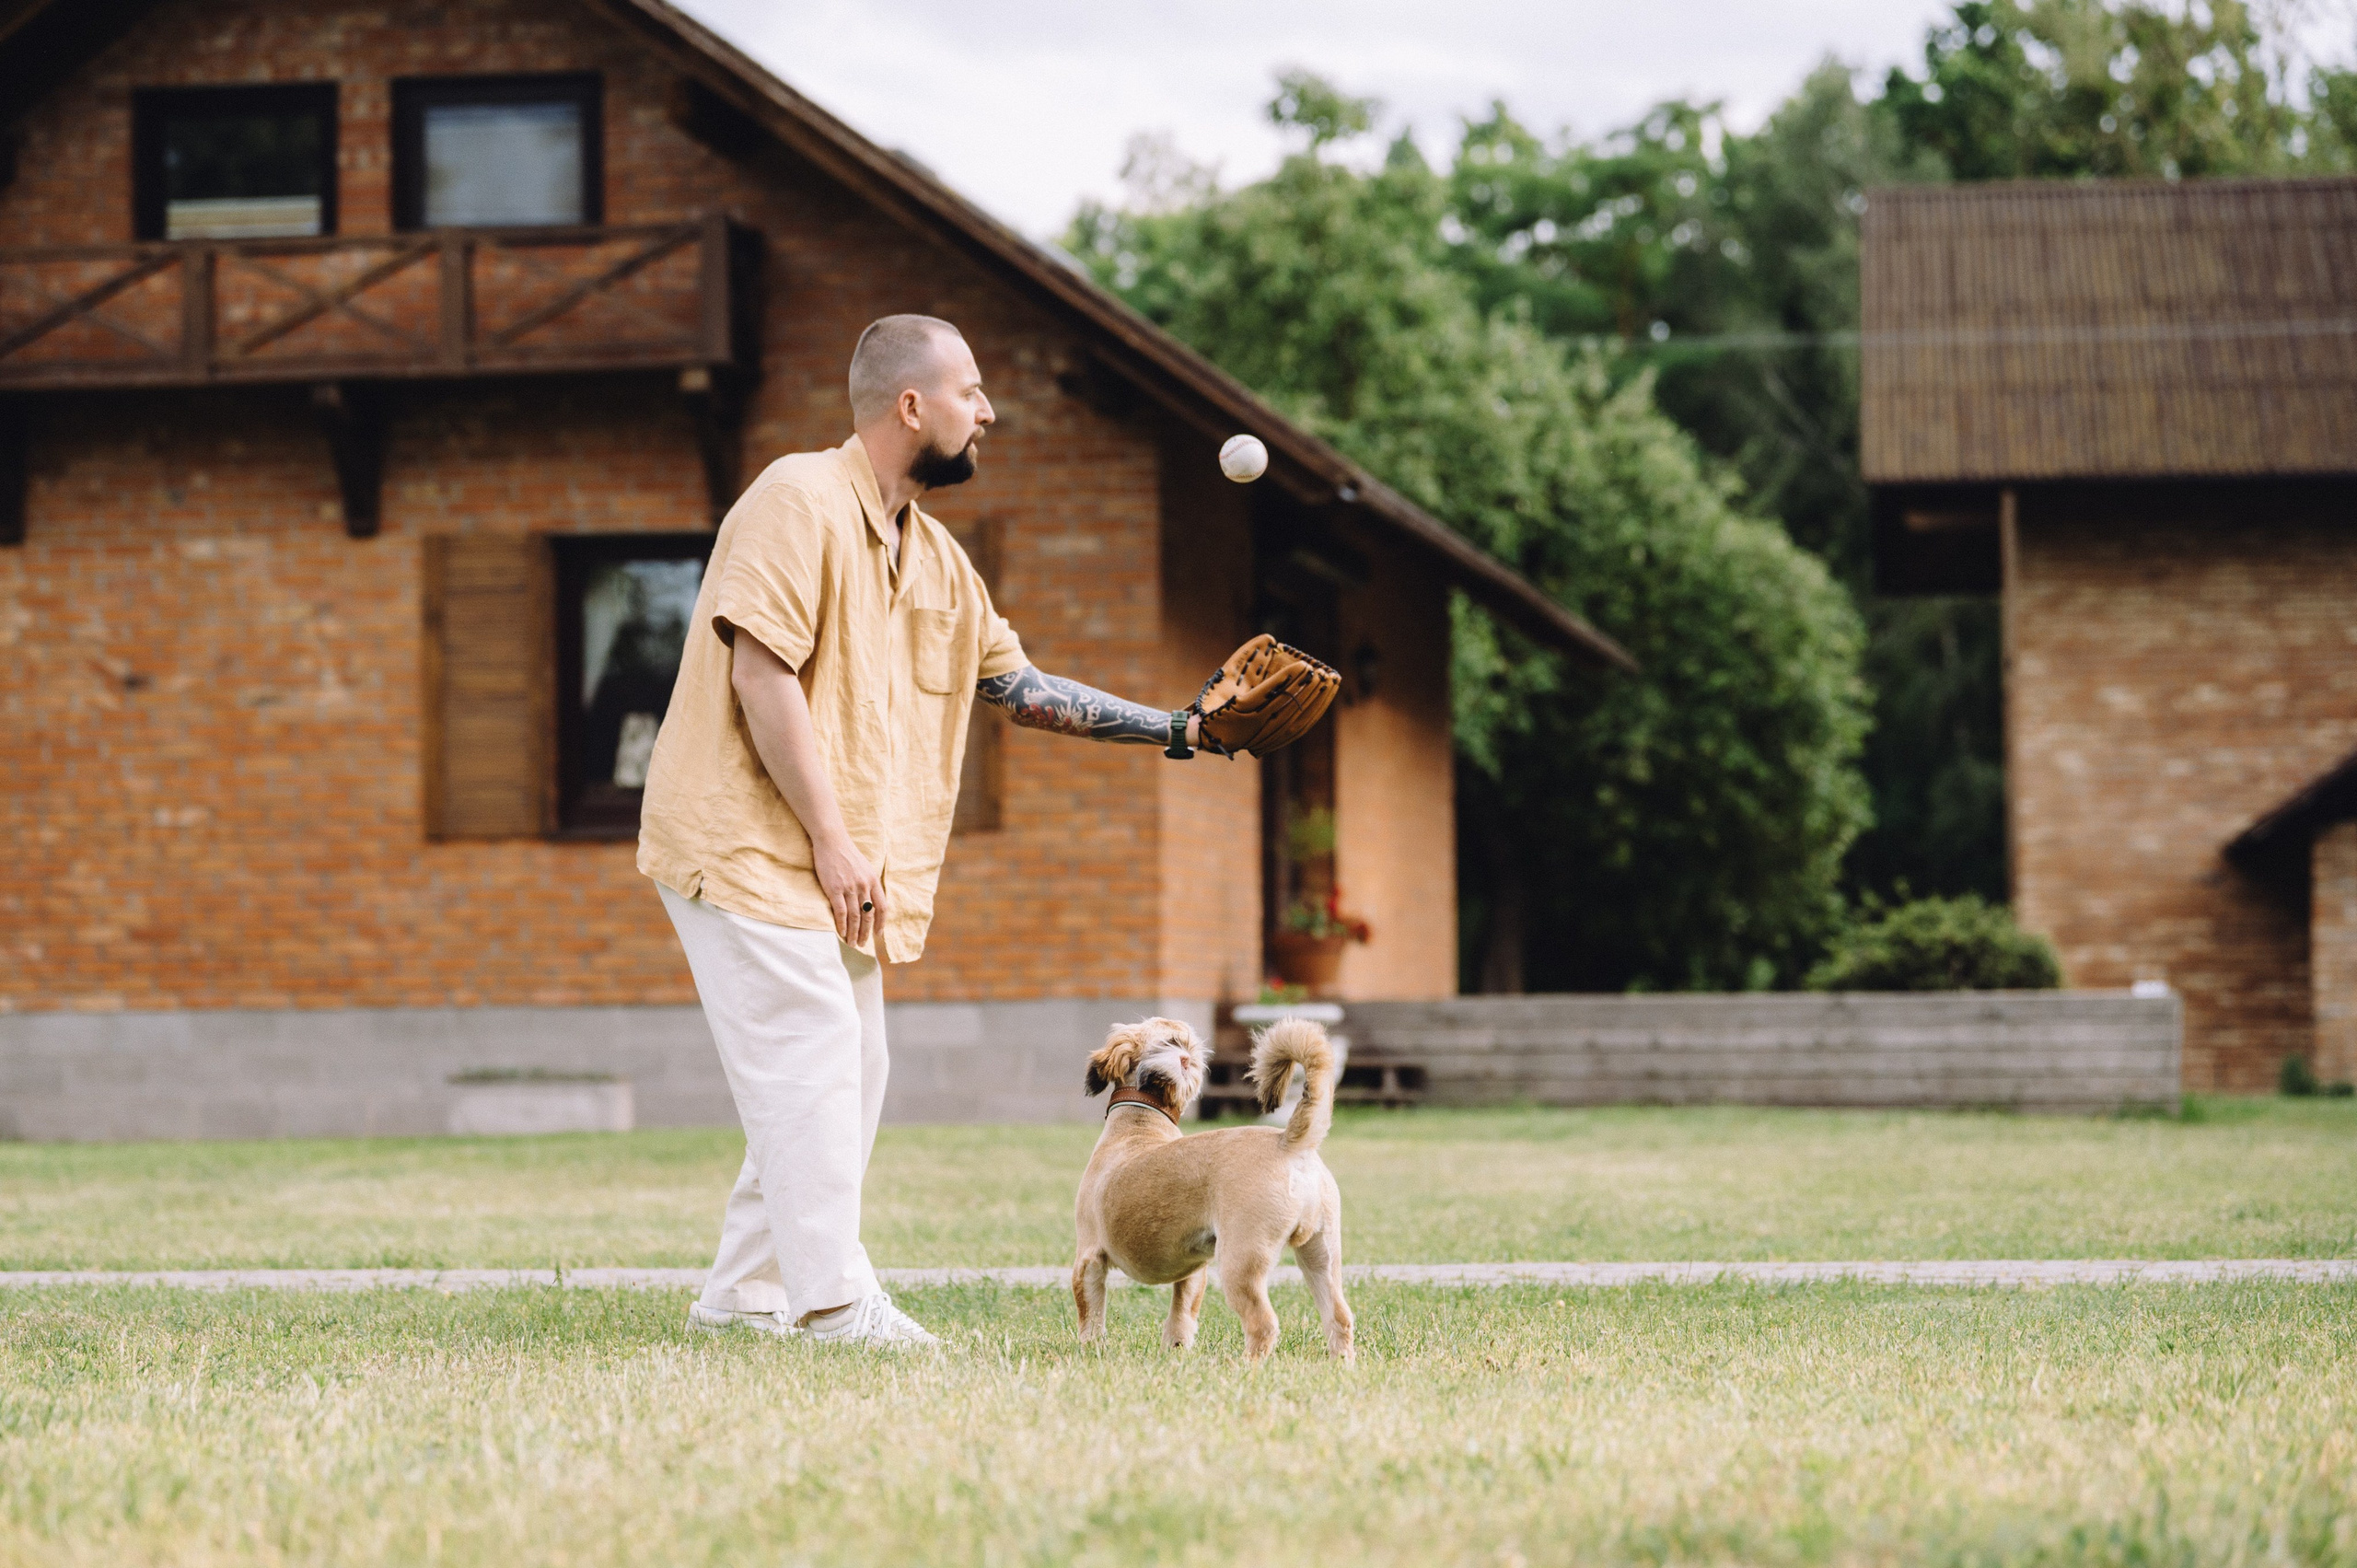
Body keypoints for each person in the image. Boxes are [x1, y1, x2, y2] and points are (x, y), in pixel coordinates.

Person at [636, 315, 1219, 1347]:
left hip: (831, 865)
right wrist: (832, 836)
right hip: (744, 839)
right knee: (814, 1054)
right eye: (970, 390)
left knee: (852, 1069)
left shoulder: (938, 559)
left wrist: (1179, 729)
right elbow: (761, 673)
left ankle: (739, 1296)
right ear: (912, 405)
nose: (987, 411)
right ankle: (831, 1301)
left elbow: (1020, 687)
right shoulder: (796, 498)